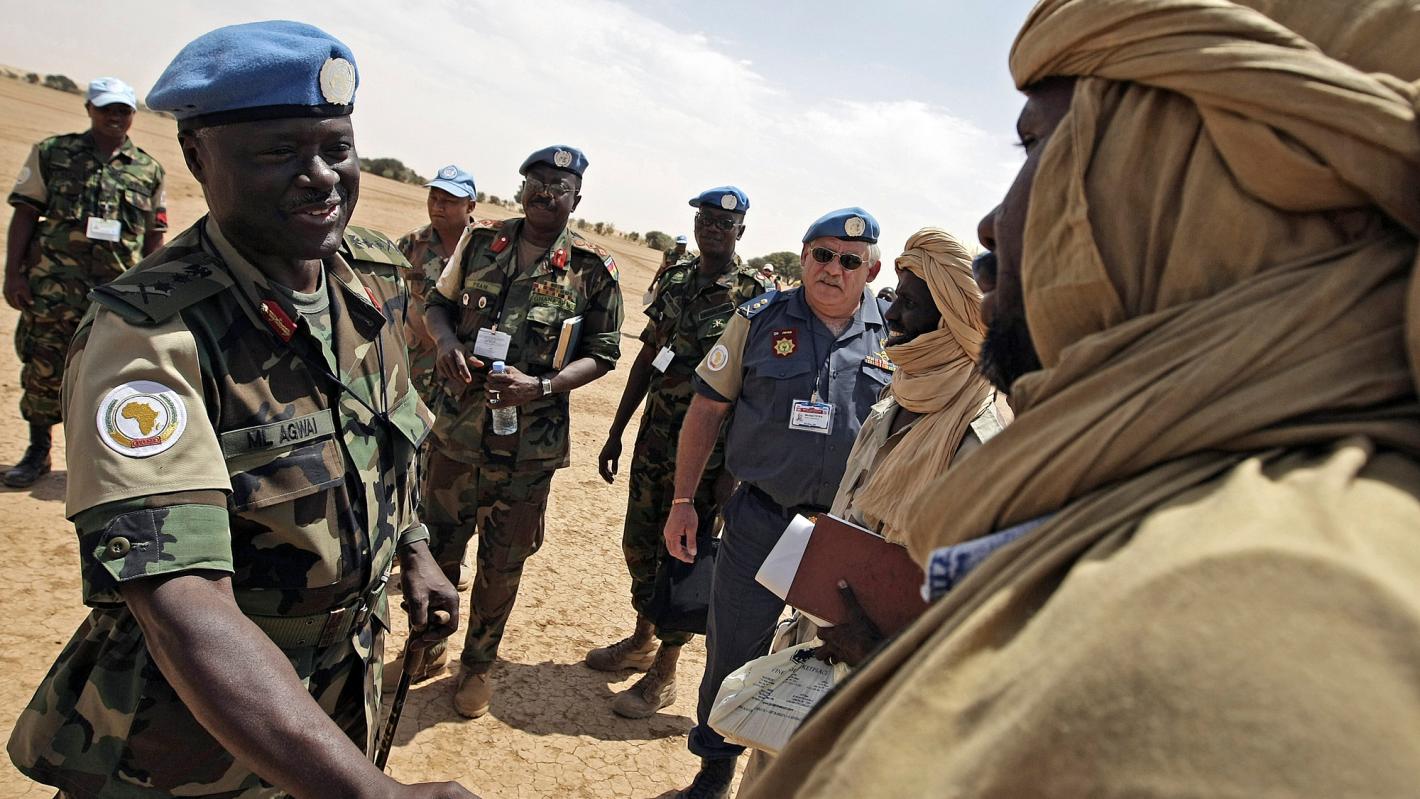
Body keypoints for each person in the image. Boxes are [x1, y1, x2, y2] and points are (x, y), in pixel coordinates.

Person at [747, 1, 1420, 797]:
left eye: (1038, 145)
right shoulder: (1155, 505)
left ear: (1180, 179)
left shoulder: (1260, 609)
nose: (997, 221)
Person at [5, 21, 474, 799]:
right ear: (197, 156)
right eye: (278, 153)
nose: (321, 176)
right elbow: (181, 605)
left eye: (336, 148)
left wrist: (416, 545)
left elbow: (387, 427)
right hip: (189, 741)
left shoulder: (371, 277)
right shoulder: (147, 334)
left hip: (332, 712)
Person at [735, 228, 1006, 796]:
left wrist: (879, 652)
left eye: (910, 304)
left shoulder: (981, 441)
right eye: (897, 298)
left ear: (953, 319)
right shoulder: (896, 402)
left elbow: (978, 609)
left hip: (885, 684)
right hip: (818, 644)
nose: (895, 316)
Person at [663, 208, 893, 798]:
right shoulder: (759, 320)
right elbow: (707, 409)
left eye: (850, 260)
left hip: (850, 533)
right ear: (803, 256)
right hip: (763, 517)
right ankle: (714, 764)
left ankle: (803, 775)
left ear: (870, 270)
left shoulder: (900, 335)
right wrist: (684, 500)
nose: (833, 270)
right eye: (822, 254)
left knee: (836, 654)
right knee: (733, 646)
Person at [416, 145, 625, 719]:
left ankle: (477, 666)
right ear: (521, 187)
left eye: (560, 185)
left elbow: (604, 353)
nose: (547, 191)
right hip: (458, 434)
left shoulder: (593, 269)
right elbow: (438, 304)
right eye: (538, 180)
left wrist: (545, 387)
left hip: (528, 450)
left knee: (502, 567)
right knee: (438, 551)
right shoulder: (482, 242)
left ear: (576, 199)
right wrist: (447, 342)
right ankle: (429, 642)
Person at [588, 186, 771, 719]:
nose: (712, 228)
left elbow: (755, 393)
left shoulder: (754, 298)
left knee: (684, 558)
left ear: (741, 232)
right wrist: (618, 428)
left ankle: (665, 670)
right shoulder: (677, 280)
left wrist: (731, 471)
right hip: (654, 441)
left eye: (724, 222)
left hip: (709, 460)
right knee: (638, 544)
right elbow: (648, 356)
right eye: (705, 219)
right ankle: (642, 636)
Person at [3, 76, 167, 488]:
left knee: (113, 377)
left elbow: (154, 237)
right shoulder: (53, 153)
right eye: (106, 107)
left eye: (123, 110)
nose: (115, 116)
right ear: (89, 109)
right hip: (52, 287)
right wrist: (13, 273)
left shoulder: (148, 170)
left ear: (132, 115)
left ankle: (100, 461)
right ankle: (38, 451)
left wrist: (153, 296)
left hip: (115, 296)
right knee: (43, 369)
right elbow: (25, 213)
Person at [396, 164, 477, 411]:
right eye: (434, 197)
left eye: (449, 201)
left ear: (470, 206)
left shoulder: (486, 250)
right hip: (413, 365)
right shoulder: (411, 245)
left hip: (462, 376)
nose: (437, 206)